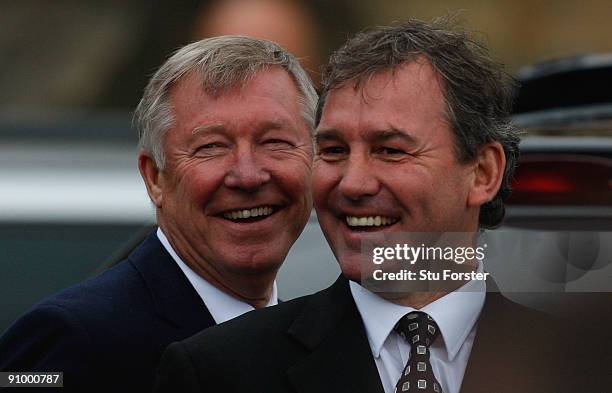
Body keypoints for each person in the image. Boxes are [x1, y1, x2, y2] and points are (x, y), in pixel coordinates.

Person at [153, 19, 581, 393]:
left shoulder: (580, 367)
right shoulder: (221, 372)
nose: (353, 183)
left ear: (483, 172)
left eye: (390, 150)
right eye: (334, 150)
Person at [0, 36, 317, 392]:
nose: (248, 175)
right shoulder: (75, 339)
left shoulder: (318, 342)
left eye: (275, 142)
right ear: (154, 178)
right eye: (211, 147)